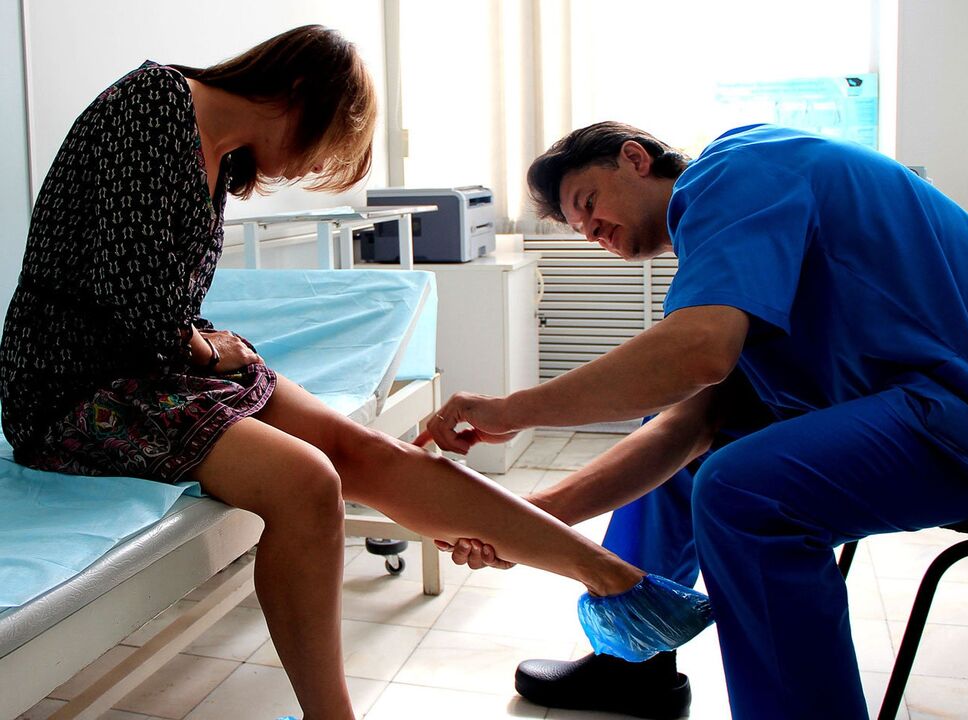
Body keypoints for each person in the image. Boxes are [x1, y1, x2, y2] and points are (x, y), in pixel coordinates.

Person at [0, 34, 709, 720]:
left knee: (371, 451)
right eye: (325, 150)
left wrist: (216, 349)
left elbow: (159, 308)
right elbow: (135, 305)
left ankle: (621, 583)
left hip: (157, 369)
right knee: (310, 481)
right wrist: (219, 353)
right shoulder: (154, 104)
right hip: (78, 387)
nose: (307, 171)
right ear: (300, 95)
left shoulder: (210, 149)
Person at [421, 121, 968, 720]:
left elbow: (697, 352)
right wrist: (529, 521)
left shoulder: (736, 167)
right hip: (932, 406)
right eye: (581, 229)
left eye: (588, 204)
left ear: (635, 159)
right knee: (682, 430)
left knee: (745, 493)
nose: (592, 231)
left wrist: (510, 410)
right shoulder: (741, 242)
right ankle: (634, 666)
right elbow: (684, 429)